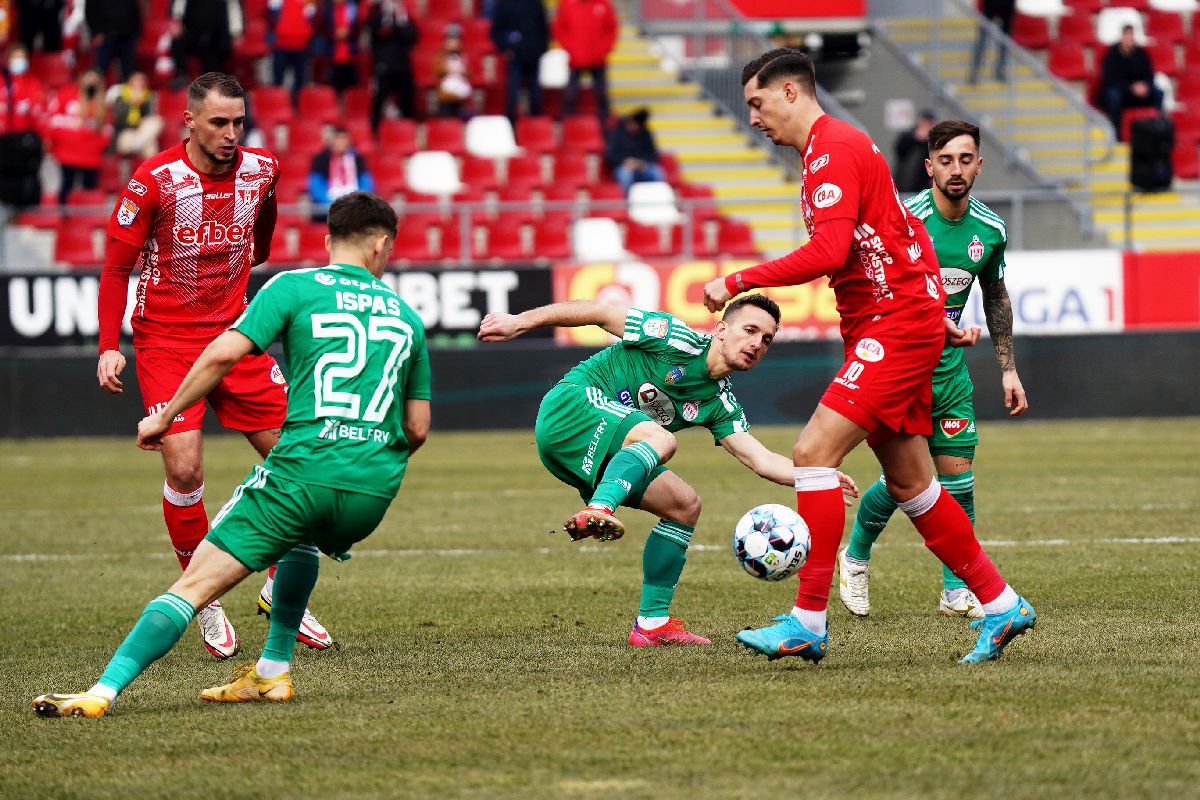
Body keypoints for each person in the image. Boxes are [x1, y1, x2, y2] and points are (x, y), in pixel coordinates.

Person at [33, 191, 431, 718]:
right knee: (300, 538)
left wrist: (164, 414)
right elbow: (417, 428)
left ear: (328, 240)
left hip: (302, 476)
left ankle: (100, 692)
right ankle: (271, 673)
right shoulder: (407, 315)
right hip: (372, 492)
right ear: (382, 245)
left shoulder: (293, 287)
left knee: (194, 585)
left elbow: (223, 352)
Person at [701, 48, 1036, 664]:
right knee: (912, 482)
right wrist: (933, 309)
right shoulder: (827, 154)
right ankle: (1001, 602)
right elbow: (907, 236)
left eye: (757, 103)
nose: (752, 118)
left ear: (792, 93)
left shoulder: (833, 149)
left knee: (811, 454)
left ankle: (806, 620)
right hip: (893, 322)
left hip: (892, 325)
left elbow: (828, 251)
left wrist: (737, 279)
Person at [94, 71, 333, 660]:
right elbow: (115, 270)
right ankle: (204, 597)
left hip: (237, 336)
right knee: (183, 469)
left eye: (239, 122)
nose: (231, 134)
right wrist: (107, 344)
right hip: (167, 344)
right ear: (191, 122)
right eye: (220, 123)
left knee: (294, 462)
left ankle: (280, 587)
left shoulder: (262, 170)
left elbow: (265, 234)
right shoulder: (153, 182)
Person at [478, 295, 859, 646]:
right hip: (572, 405)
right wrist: (519, 322)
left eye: (767, 339)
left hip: (602, 445)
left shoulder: (720, 402)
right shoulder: (673, 337)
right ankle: (600, 508)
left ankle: (651, 624)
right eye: (750, 330)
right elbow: (599, 311)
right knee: (662, 441)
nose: (758, 343)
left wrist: (815, 476)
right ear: (721, 329)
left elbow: (760, 459)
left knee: (685, 505)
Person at [839, 118, 1028, 621]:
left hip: (949, 371)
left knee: (957, 481)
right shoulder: (904, 218)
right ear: (929, 167)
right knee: (907, 482)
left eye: (966, 159)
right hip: (900, 366)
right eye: (945, 161)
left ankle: (955, 590)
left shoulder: (990, 230)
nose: (956, 169)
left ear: (979, 165)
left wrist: (1007, 369)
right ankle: (855, 558)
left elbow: (996, 295)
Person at [45, 67, 109, 205]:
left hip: (91, 156)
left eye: (94, 79)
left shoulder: (102, 102)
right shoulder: (66, 94)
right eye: (88, 77)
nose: (91, 81)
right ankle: (64, 219)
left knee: (89, 192)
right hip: (67, 154)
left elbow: (106, 132)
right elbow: (53, 121)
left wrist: (91, 143)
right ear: (81, 78)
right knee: (66, 189)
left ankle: (87, 222)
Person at [553, 0, 617, 124]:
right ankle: (568, 125)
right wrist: (571, 49)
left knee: (601, 94)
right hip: (576, 58)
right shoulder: (567, 4)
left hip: (597, 59)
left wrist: (602, 50)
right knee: (570, 95)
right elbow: (559, 28)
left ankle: (606, 127)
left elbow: (611, 29)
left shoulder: (602, 4)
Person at [1099, 25, 1163, 138]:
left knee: (1158, 93)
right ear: (1121, 37)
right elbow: (1109, 79)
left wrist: (1145, 86)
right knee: (1113, 95)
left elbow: (1149, 75)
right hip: (1121, 91)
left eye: (1131, 35)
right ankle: (1116, 132)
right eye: (1126, 35)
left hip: (1139, 92)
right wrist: (1130, 88)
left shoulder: (1142, 54)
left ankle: (1155, 128)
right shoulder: (1111, 55)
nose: (1129, 38)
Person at [490, 0, 548, 123]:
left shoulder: (536, 4)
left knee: (536, 96)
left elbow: (544, 29)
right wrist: (506, 48)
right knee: (512, 95)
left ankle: (535, 127)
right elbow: (496, 32)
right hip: (514, 57)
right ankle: (511, 127)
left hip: (534, 55)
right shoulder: (505, 5)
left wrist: (541, 50)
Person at [367, 0, 419, 131]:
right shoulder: (376, 11)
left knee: (407, 102)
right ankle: (375, 135)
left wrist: (400, 19)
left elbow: (411, 35)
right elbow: (381, 31)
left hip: (402, 67)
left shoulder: (402, 14)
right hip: (383, 67)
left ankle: (408, 132)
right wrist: (389, 18)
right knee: (378, 104)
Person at [308, 124, 375, 218]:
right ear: (332, 140)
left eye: (344, 139)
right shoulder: (321, 160)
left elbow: (366, 184)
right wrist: (334, 205)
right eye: (338, 138)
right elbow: (316, 187)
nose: (341, 142)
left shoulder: (358, 160)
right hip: (328, 208)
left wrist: (357, 202)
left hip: (355, 206)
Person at [170, 0, 238, 80]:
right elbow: (179, 4)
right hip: (192, 31)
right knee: (178, 39)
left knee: (214, 56)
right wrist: (177, 21)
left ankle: (214, 77)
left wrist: (236, 32)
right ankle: (181, 74)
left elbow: (234, 8)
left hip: (215, 36)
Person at [605, 107, 665, 196]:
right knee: (625, 175)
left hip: (642, 167)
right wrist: (625, 162)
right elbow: (611, 156)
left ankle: (656, 200)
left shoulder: (646, 134)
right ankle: (627, 204)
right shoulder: (617, 134)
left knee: (657, 172)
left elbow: (653, 154)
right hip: (623, 166)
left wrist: (641, 163)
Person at [268, 0, 318, 103]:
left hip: (301, 45)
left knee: (301, 81)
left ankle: (298, 107)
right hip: (281, 44)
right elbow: (272, 14)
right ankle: (279, 105)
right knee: (278, 80)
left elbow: (313, 16)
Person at [108, 70, 163, 159]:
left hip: (141, 132)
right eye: (136, 80)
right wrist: (131, 103)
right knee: (150, 144)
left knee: (156, 121)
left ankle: (139, 144)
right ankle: (140, 145)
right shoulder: (119, 95)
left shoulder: (150, 97)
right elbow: (119, 119)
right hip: (125, 133)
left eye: (142, 80)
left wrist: (142, 103)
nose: (139, 83)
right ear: (130, 81)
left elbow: (148, 119)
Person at [85, 0, 141, 82]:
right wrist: (95, 32)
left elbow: (133, 8)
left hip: (127, 36)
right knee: (99, 71)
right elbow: (89, 12)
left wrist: (136, 32)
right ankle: (97, 93)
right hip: (105, 37)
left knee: (129, 71)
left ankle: (127, 93)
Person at [969, 0, 1015, 84]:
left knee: (1004, 42)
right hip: (991, 4)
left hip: (1007, 6)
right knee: (982, 40)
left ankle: (1000, 71)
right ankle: (975, 72)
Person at [323, 0, 361, 98]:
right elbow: (323, 29)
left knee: (351, 86)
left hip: (350, 54)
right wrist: (334, 34)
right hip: (333, 54)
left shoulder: (353, 9)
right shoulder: (327, 10)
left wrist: (349, 33)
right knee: (333, 86)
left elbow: (358, 28)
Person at [893, 109, 935, 194]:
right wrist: (915, 137)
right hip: (903, 184)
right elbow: (899, 150)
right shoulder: (908, 135)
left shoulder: (934, 140)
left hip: (923, 187)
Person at [434, 22, 471, 118]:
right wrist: (448, 69)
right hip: (446, 96)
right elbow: (437, 71)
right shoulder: (440, 56)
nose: (453, 43)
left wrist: (462, 71)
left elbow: (470, 72)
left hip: (461, 96)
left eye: (456, 40)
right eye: (450, 40)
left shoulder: (464, 56)